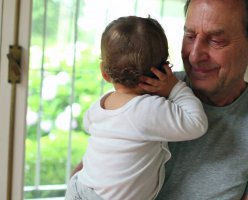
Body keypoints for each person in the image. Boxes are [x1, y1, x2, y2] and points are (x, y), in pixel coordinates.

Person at [140, 0, 248, 199]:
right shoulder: (149, 90)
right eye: (190, 36)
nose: (195, 56)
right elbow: (94, 177)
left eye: (216, 40)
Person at [65, 16, 208, 200]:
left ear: (104, 73)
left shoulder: (102, 103)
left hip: (79, 187)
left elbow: (88, 124)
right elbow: (196, 123)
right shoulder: (149, 109)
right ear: (163, 69)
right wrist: (175, 87)